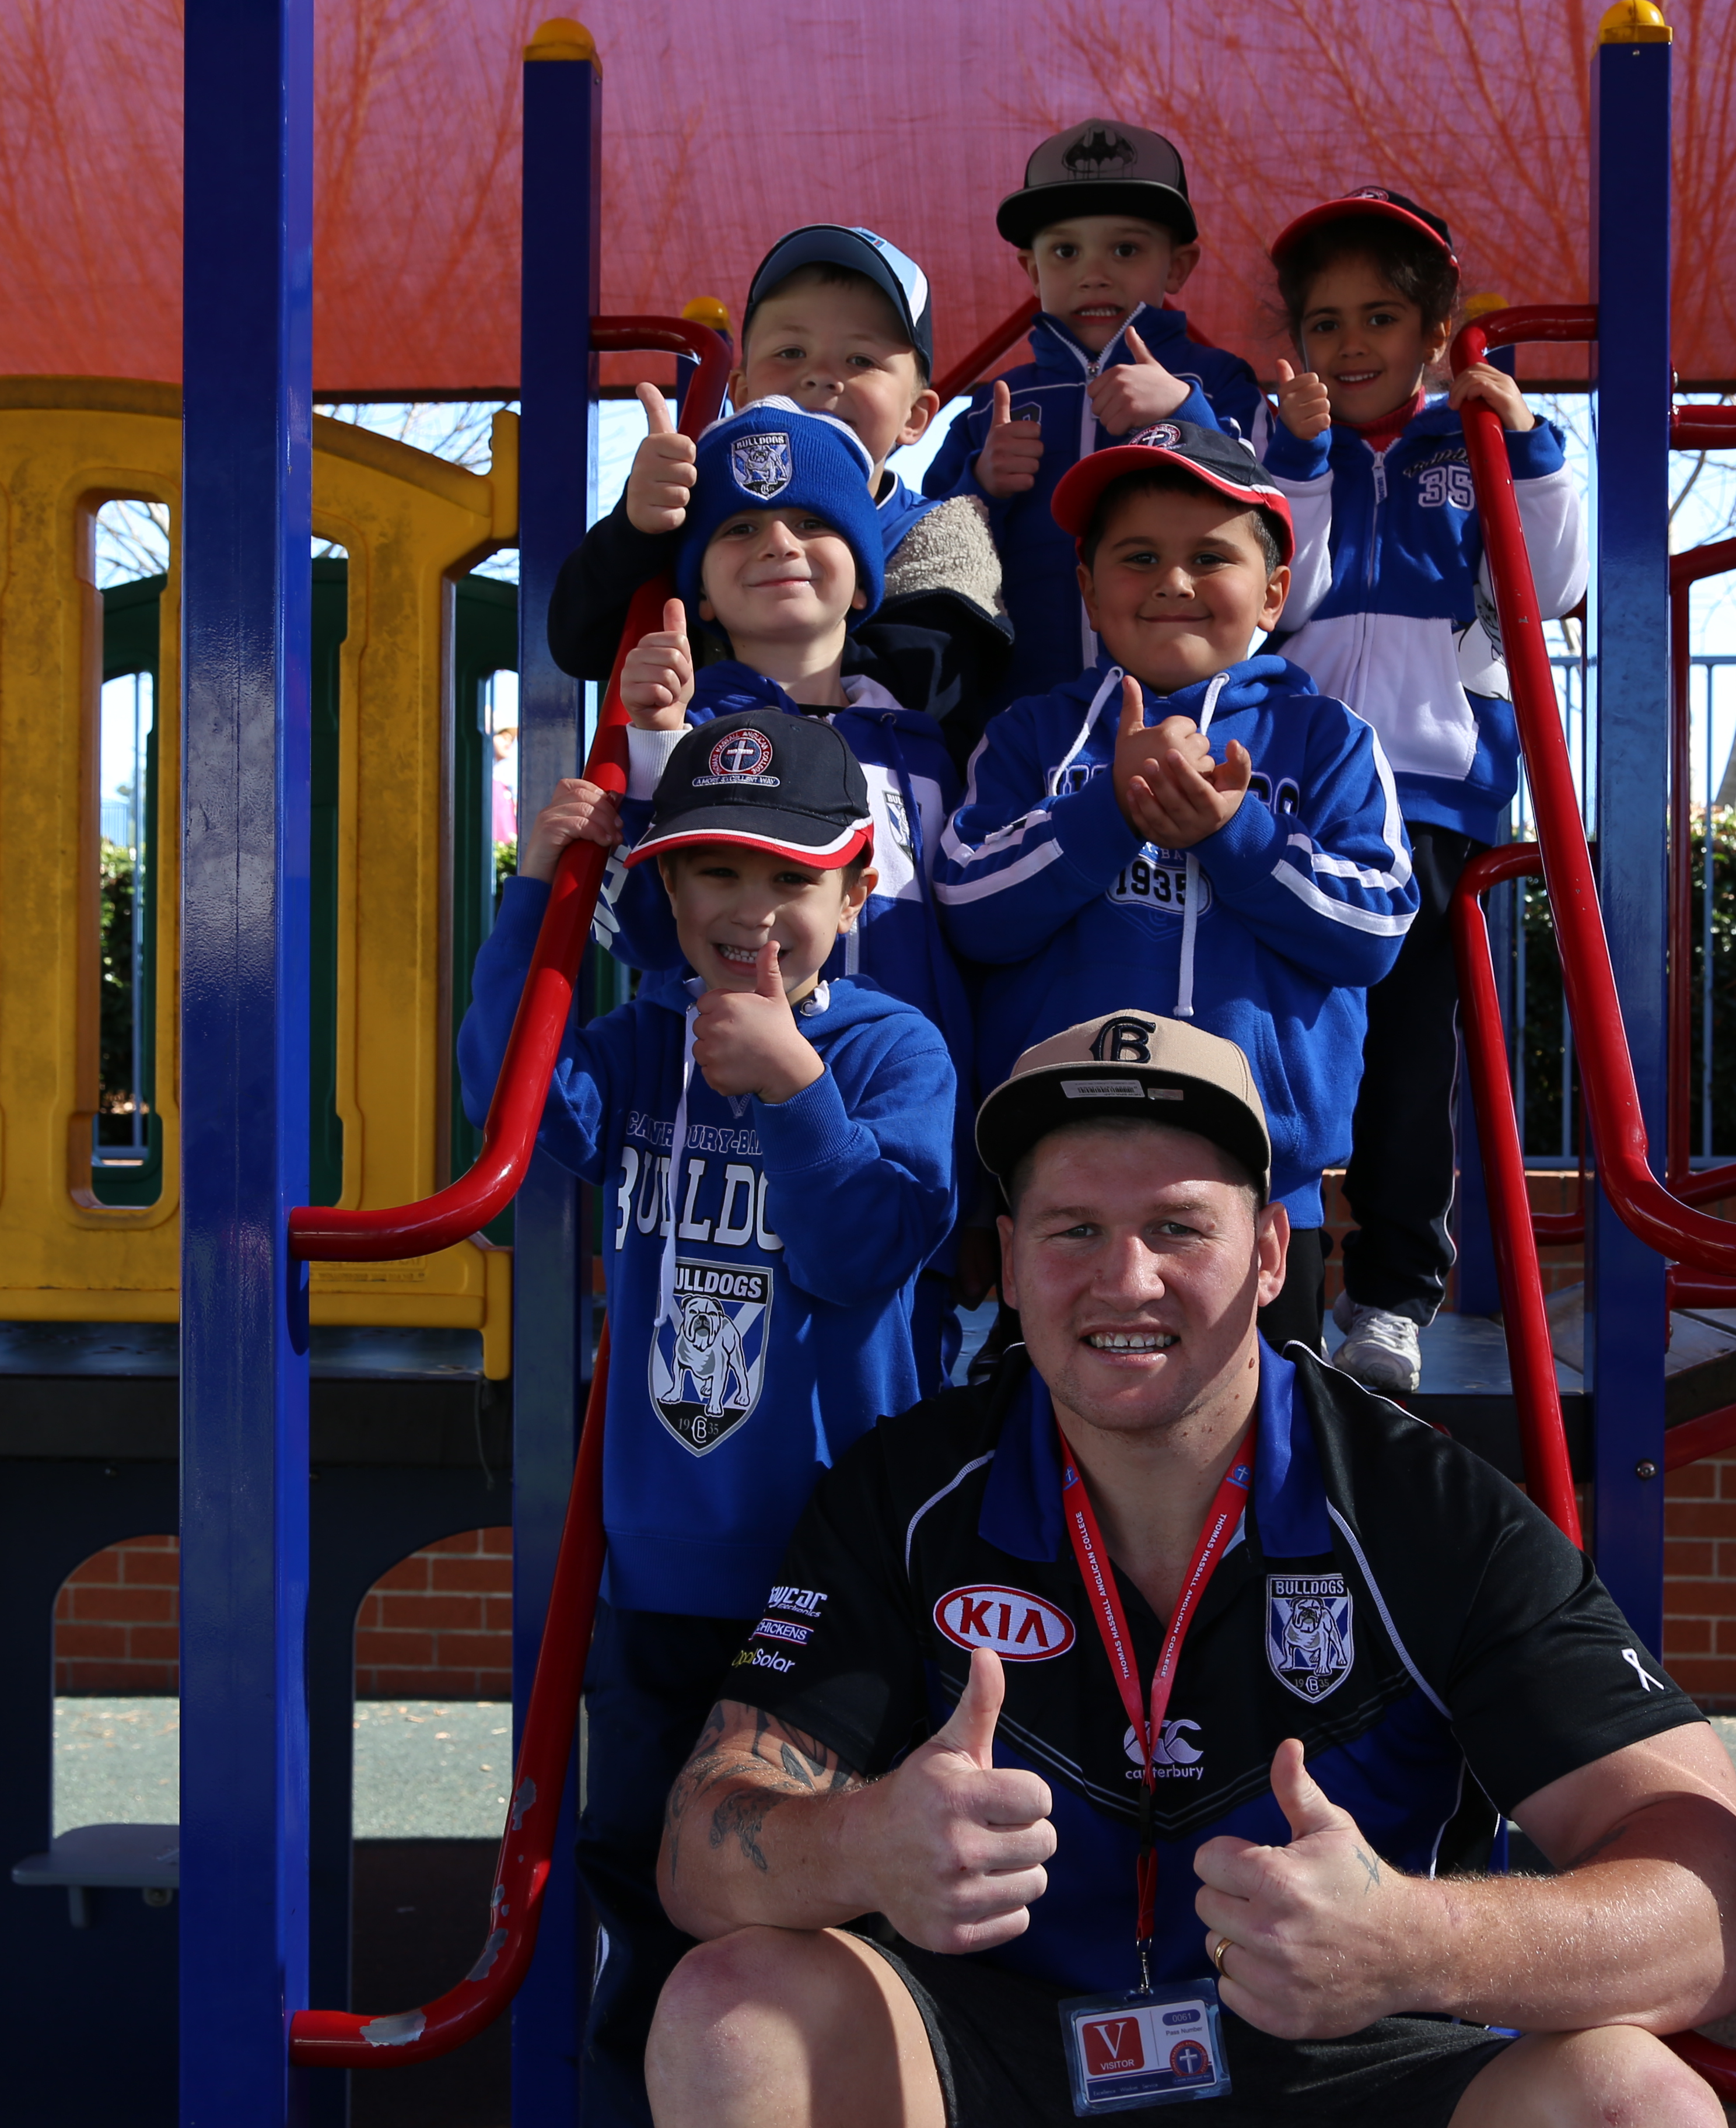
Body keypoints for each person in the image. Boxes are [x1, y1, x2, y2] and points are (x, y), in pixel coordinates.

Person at [640, 1011, 1736, 2127]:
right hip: (999, 2053)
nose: (1125, 1280)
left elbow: (1726, 1905)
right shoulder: (907, 1490)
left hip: (1348, 2057)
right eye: (1072, 1230)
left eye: (1180, 1228)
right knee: (735, 2014)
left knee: (1636, 2103)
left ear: (1273, 1253)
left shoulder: (1426, 1510)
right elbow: (701, 1852)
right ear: (1009, 1259)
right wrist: (870, 1845)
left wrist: (1412, 1943)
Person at [463, 709, 958, 2125]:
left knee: (821, 1903)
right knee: (643, 1892)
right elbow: (511, 1111)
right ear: (665, 899)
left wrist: (794, 1089)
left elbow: (866, 1245)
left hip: (830, 1580)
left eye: (788, 880)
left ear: (854, 892)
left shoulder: (886, 1052)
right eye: (712, 880)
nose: (751, 914)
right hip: (661, 1573)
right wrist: (527, 899)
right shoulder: (630, 1051)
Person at [932, 426, 1413, 1356]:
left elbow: (1376, 927)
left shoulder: (1329, 738)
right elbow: (969, 906)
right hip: (1060, 1176)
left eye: (1210, 557)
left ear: (1275, 591)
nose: (1174, 582)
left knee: (1266, 1460)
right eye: (1139, 557)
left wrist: (1236, 836)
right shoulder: (1032, 735)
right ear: (1086, 588)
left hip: (1263, 1181)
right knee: (1047, 1449)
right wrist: (1107, 812)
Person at [1259, 188, 1591, 1394]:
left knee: (1410, 1056)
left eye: (1383, 318)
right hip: (1303, 791)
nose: (1354, 346)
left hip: (1439, 793)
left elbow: (1547, 584)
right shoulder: (1284, 438)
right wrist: (1295, 459)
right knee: (1290, 1044)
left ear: (1437, 328)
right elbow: (1284, 595)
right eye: (1329, 320)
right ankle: (1280, 1279)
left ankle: (1392, 1295)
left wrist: (1529, 442)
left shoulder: (1480, 438)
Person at [603, 395, 979, 1388]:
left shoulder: (925, 747)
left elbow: (963, 954)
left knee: (895, 1403)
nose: (779, 542)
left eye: (814, 523)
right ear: (706, 593)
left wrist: (974, 1184)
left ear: (864, 577)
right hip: (715, 1174)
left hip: (885, 1141)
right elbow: (641, 928)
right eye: (737, 528)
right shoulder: (682, 734)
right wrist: (650, 749)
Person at [550, 224, 1013, 738]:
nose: (820, 376)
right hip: (692, 792)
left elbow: (933, 684)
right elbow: (579, 645)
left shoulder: (942, 530)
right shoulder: (695, 506)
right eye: (791, 352)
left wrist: (756, 624)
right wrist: (636, 530)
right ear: (742, 393)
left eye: (861, 360)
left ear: (917, 416)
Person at [922, 119, 1304, 702]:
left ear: (1177, 266)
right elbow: (931, 556)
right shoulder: (990, 407)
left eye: (1126, 249)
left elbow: (1270, 514)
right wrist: (982, 486)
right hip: (1023, 715)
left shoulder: (1219, 382)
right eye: (1065, 251)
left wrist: (1186, 413)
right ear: (1032, 270)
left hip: (1192, 711)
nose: (1093, 273)